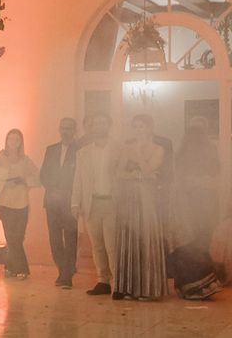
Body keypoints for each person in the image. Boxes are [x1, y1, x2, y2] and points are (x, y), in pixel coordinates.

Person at [112, 114, 167, 301]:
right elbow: (119, 174)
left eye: (141, 126)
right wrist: (137, 174)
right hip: (128, 199)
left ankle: (148, 289)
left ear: (150, 128)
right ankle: (129, 288)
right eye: (135, 127)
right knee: (129, 240)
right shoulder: (126, 148)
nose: (138, 130)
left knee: (146, 240)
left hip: (147, 200)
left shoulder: (159, 149)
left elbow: (148, 171)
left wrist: (138, 157)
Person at [169, 121, 221, 299]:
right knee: (188, 245)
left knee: (200, 244)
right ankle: (190, 286)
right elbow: (178, 179)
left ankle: (198, 285)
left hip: (204, 203)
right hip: (188, 204)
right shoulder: (182, 154)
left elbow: (216, 173)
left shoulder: (209, 152)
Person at [71, 112, 119, 296]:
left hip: (112, 203)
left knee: (112, 245)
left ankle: (118, 282)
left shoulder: (118, 149)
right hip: (91, 203)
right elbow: (78, 180)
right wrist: (75, 203)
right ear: (91, 127)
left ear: (109, 125)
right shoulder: (83, 153)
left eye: (103, 122)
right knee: (96, 245)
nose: (99, 126)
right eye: (96, 123)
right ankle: (103, 281)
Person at [0, 129, 40, 280]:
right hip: (4, 202)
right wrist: (3, 182)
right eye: (11, 138)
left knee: (18, 237)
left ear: (20, 142)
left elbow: (37, 177)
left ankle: (9, 266)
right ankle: (22, 269)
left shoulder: (25, 160)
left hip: (21, 202)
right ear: (6, 140)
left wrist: (24, 181)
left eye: (17, 139)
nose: (13, 142)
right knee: (11, 236)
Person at [40, 118, 78, 289]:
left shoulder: (80, 150)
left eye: (69, 128)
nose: (65, 131)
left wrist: (67, 192)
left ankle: (66, 274)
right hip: (52, 200)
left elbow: (79, 176)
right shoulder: (51, 149)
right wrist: (53, 188)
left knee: (70, 238)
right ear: (59, 129)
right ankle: (64, 269)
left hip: (70, 201)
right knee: (54, 238)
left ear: (74, 130)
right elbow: (44, 174)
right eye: (63, 128)